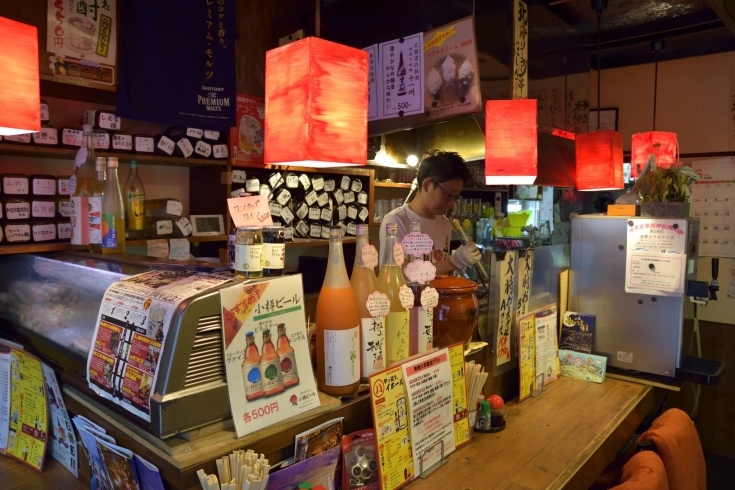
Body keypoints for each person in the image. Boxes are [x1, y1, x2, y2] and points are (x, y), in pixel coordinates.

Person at [379, 150, 482, 274]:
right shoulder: (395, 222)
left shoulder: (444, 223)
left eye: (455, 197)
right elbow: (398, 274)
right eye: (449, 195)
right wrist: (453, 262)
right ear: (427, 185)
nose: (451, 203)